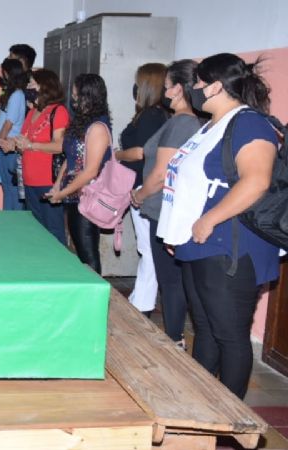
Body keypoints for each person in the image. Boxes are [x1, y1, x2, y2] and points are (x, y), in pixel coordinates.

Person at [158, 53, 281, 399]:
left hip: (229, 246)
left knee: (229, 336)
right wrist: (177, 230)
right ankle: (202, 403)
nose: (194, 89)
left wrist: (209, 220)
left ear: (215, 86)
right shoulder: (212, 125)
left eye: (198, 82)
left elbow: (256, 181)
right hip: (199, 243)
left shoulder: (250, 124)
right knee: (206, 331)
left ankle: (231, 416)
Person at [131, 60, 202, 347]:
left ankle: (174, 339)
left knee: (170, 280)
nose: (165, 91)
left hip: (162, 209)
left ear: (180, 89)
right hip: (164, 208)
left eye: (168, 85)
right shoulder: (183, 121)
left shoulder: (182, 122)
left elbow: (161, 174)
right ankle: (175, 336)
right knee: (171, 278)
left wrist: (140, 195)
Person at [116, 63, 169, 315]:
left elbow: (140, 152)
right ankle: (140, 298)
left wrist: (117, 155)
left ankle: (142, 304)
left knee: (148, 249)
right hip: (142, 186)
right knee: (146, 248)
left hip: (145, 188)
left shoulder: (151, 116)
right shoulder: (152, 114)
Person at [46, 74, 112, 274]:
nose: (73, 98)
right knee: (78, 249)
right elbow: (71, 156)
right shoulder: (81, 122)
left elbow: (90, 170)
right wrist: (58, 184)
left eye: (76, 94)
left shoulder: (98, 127)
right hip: (74, 194)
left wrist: (63, 192)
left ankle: (96, 290)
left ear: (88, 95)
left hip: (87, 195)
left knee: (88, 253)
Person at [2, 68, 69, 244]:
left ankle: (58, 261)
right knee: (37, 230)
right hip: (29, 179)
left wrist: (31, 145)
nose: (28, 87)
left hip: (48, 181)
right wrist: (13, 145)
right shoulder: (33, 112)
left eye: (32, 83)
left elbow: (60, 145)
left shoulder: (58, 111)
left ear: (45, 86)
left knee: (53, 229)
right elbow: (24, 141)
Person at [0, 58, 27, 210]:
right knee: (7, 188)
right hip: (3, 144)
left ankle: (15, 218)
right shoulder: (8, 93)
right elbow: (0, 122)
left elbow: (9, 123)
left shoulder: (17, 94)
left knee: (13, 189)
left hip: (11, 146)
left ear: (7, 72)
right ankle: (7, 216)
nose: (1, 74)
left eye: (2, 71)